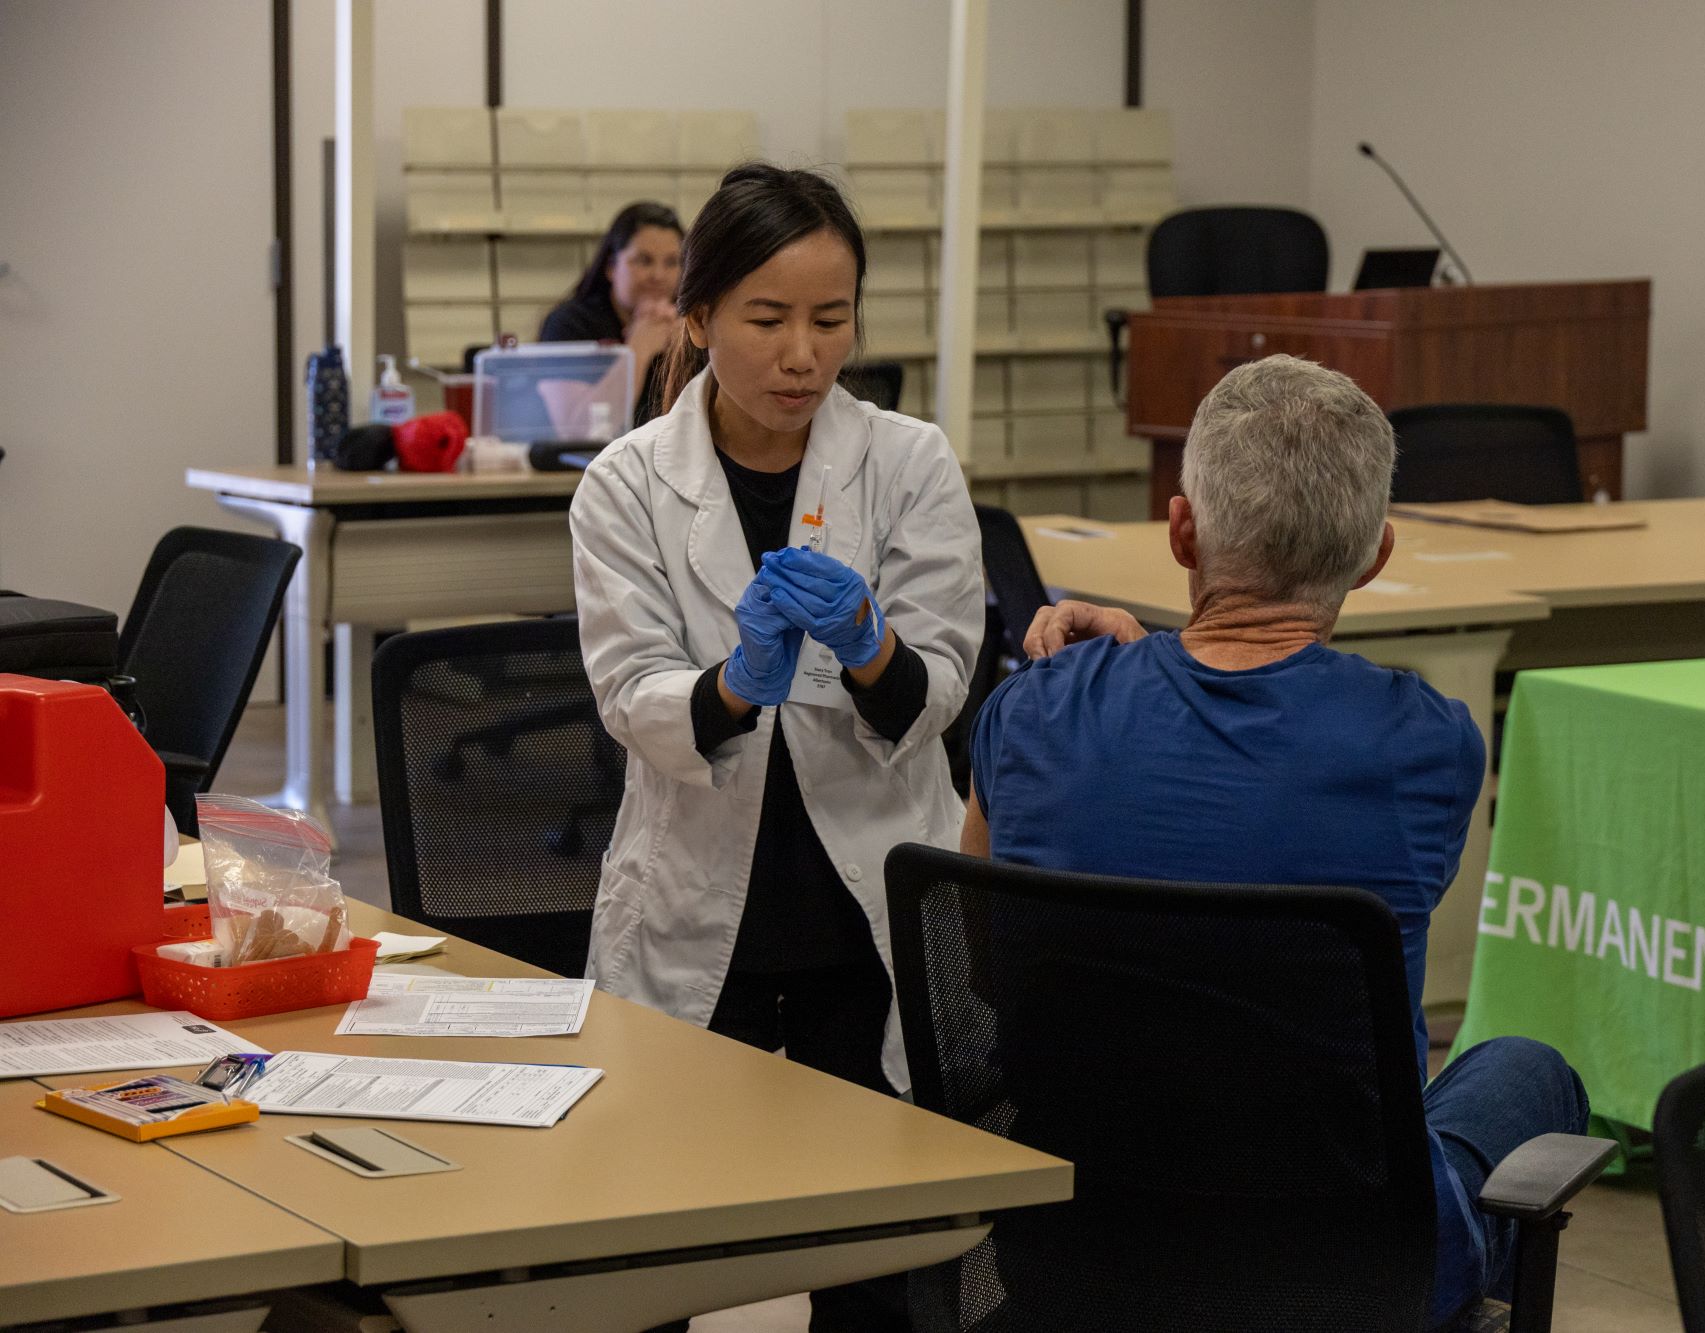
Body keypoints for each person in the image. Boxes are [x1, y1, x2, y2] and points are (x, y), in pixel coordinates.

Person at [964, 354, 1590, 1329]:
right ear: (1375, 554)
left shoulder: (1029, 712)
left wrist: (1117, 682)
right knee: (1524, 1069)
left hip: (1077, 1252)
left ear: (1181, 531)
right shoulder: (1428, 744)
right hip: (1344, 1273)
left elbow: (983, 967)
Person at [568, 163, 983, 1333]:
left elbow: (936, 688)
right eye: (765, 319)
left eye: (830, 318)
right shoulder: (627, 486)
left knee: (873, 1251)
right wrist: (731, 686)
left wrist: (865, 644)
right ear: (696, 320)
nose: (802, 353)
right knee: (662, 1237)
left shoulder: (908, 463)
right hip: (707, 910)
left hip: (870, 908)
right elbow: (627, 690)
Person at [539, 200, 683, 416]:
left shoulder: (688, 325)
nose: (658, 276)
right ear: (611, 267)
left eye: (672, 262)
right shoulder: (568, 324)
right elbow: (577, 429)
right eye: (644, 261)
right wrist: (638, 351)